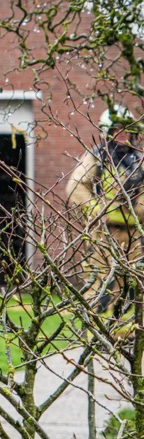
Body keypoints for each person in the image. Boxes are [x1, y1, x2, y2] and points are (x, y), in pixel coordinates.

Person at [66, 105, 144, 314]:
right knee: (98, 283)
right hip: (102, 234)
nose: (122, 135)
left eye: (126, 130)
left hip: (132, 234)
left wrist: (138, 209)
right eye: (117, 130)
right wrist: (99, 211)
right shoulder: (97, 157)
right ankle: (94, 334)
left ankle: (124, 338)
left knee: (129, 285)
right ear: (107, 132)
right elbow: (75, 186)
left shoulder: (138, 162)